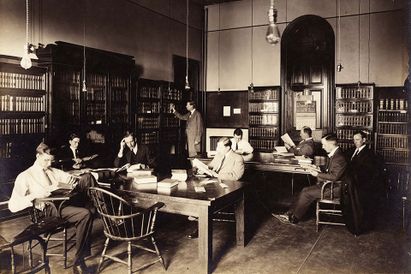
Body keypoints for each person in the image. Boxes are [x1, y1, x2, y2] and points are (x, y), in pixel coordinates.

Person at [8, 143, 96, 274]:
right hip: (48, 209)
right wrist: (35, 195)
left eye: (51, 160)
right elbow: (12, 205)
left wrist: (72, 181)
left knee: (88, 177)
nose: (49, 163)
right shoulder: (26, 175)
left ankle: (102, 211)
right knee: (86, 214)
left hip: (64, 203)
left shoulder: (52, 171)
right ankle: (79, 261)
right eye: (46, 160)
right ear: (38, 156)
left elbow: (70, 179)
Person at [273, 133, 347, 224]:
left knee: (306, 193)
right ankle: (289, 213)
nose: (323, 147)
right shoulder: (336, 154)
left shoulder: (339, 157)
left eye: (324, 144)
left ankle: (294, 218)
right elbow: (330, 169)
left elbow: (334, 177)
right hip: (330, 185)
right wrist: (317, 168)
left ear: (331, 144)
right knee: (304, 190)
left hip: (334, 188)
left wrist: (317, 174)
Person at [188, 137, 245, 238]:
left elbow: (236, 176)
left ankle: (199, 218)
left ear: (227, 147)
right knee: (198, 190)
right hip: (215, 183)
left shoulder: (238, 158)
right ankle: (198, 217)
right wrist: (203, 169)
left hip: (228, 187)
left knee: (206, 196)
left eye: (220, 147)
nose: (217, 150)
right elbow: (211, 166)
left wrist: (217, 175)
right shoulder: (219, 155)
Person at [346, 130, 379, 230]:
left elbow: (367, 174)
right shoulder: (352, 150)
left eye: (357, 139)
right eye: (354, 140)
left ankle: (357, 225)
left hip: (361, 185)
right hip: (351, 182)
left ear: (364, 140)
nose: (355, 142)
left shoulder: (369, 154)